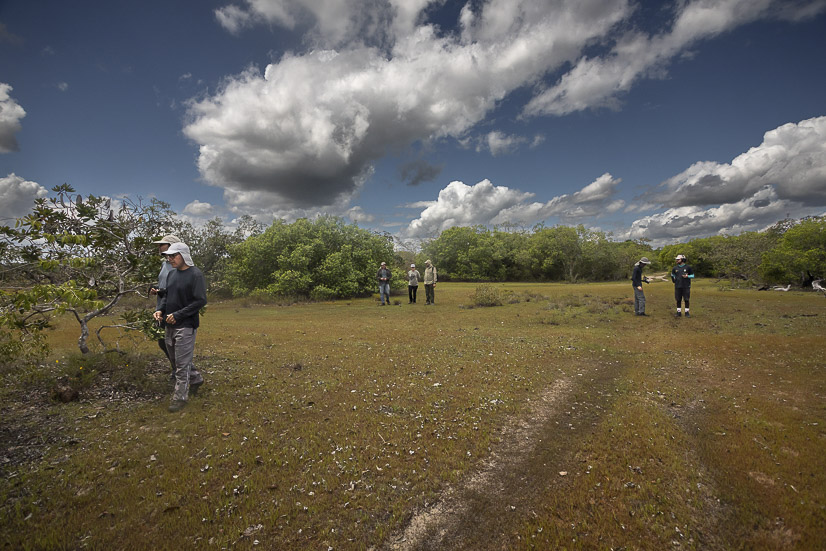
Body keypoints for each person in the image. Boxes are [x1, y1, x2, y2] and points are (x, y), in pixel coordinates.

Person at [153, 243, 207, 412]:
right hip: (169, 324)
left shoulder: (195, 275)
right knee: (176, 361)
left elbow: (200, 301)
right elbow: (167, 296)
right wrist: (160, 310)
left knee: (182, 364)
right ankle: (196, 379)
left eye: (173, 256)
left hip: (186, 325)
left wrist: (178, 315)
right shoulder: (172, 274)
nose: (169, 259)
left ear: (183, 255)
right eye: (168, 256)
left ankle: (180, 398)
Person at [149, 234, 181, 379]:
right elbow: (163, 283)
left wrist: (162, 291)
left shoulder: (178, 266)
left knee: (172, 342)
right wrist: (155, 288)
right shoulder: (164, 265)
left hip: (172, 308)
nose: (159, 247)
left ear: (171, 246)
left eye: (162, 244)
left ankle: (181, 371)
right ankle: (176, 368)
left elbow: (178, 288)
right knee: (163, 342)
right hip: (161, 307)